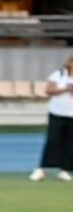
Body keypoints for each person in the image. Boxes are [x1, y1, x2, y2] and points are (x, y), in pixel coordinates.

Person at [33, 53, 73, 181]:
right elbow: (49, 90)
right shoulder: (59, 74)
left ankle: (64, 169)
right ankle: (41, 169)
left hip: (71, 114)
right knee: (52, 140)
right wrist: (65, 89)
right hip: (57, 112)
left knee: (69, 142)